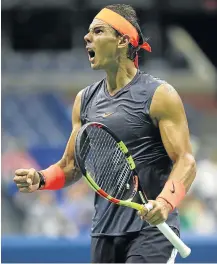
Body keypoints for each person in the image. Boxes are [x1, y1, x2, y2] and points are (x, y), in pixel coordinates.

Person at [14, 4, 196, 263]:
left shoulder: (159, 95)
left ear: (123, 40)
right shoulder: (85, 100)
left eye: (98, 31)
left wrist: (166, 203)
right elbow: (70, 166)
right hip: (104, 232)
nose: (87, 38)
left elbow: (186, 161)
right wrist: (40, 179)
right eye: (88, 32)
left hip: (150, 232)